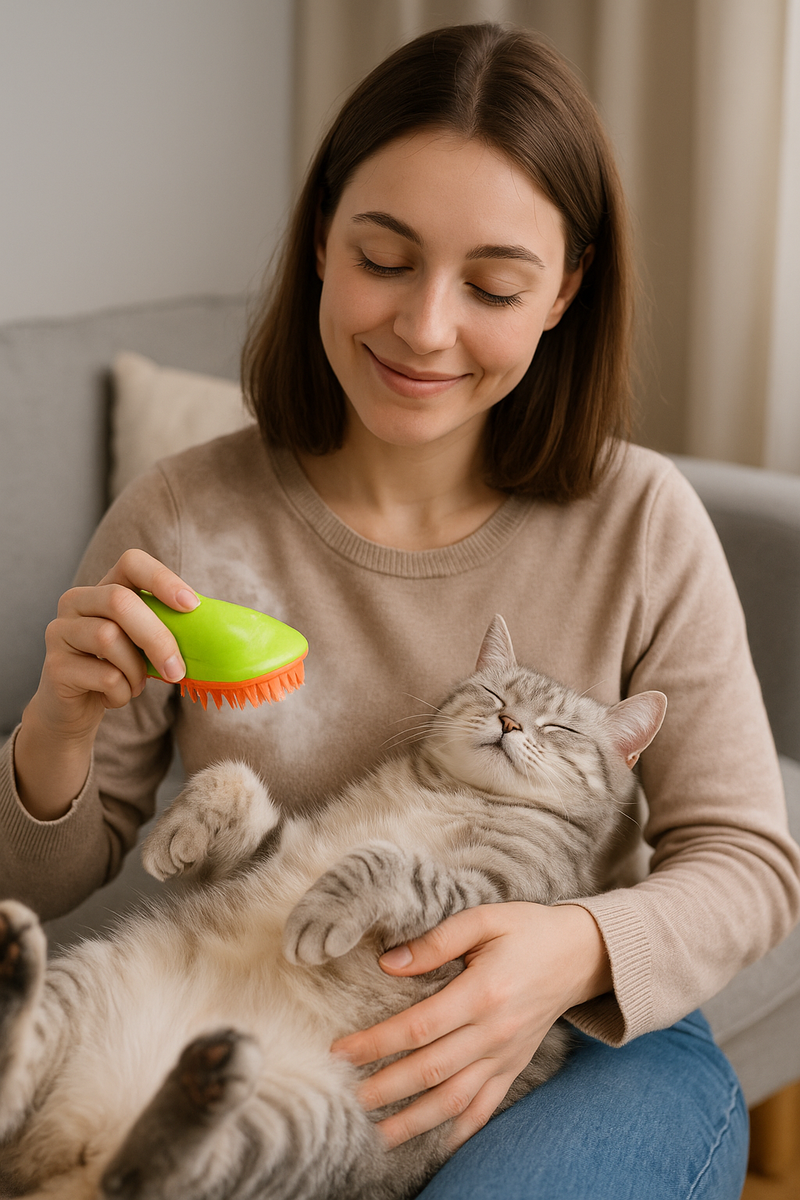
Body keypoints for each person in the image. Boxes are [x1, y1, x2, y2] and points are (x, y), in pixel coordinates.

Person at [2, 22, 798, 1199]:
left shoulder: (637, 518)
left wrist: (570, 948)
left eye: (490, 285)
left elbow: (746, 860)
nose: (424, 328)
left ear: (563, 290)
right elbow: (46, 876)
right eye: (383, 258)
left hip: (570, 1043)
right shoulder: (185, 511)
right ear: (321, 237)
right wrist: (55, 733)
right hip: (259, 1000)